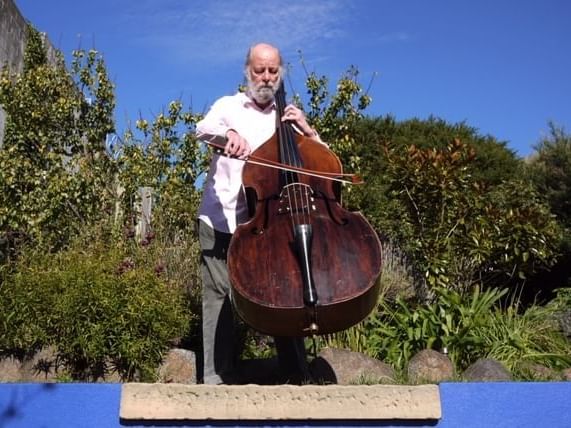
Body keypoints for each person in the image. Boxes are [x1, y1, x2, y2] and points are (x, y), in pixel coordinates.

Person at [195, 43, 320, 385]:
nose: (265, 77)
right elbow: (201, 129)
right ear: (246, 71)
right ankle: (215, 376)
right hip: (221, 218)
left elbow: (320, 163)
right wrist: (229, 134)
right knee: (218, 294)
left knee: (283, 290)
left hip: (271, 223)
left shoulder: (289, 118)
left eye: (273, 71)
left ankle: (296, 373)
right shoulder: (228, 106)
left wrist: (308, 131)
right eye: (259, 70)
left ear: (281, 73)